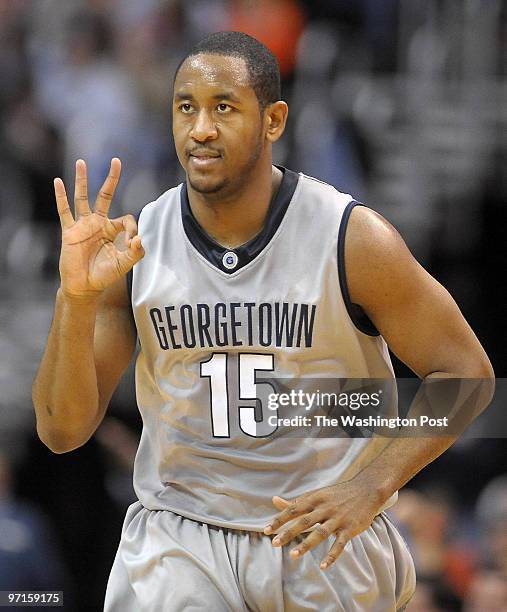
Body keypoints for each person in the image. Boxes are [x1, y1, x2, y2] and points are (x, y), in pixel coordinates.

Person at [32, 32, 494, 611]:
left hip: (323, 535)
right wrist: (73, 298)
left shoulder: (352, 239)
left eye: (223, 107)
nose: (200, 128)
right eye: (185, 108)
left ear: (273, 120)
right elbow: (60, 430)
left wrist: (371, 485)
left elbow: (466, 373)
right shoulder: (136, 246)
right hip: (182, 538)